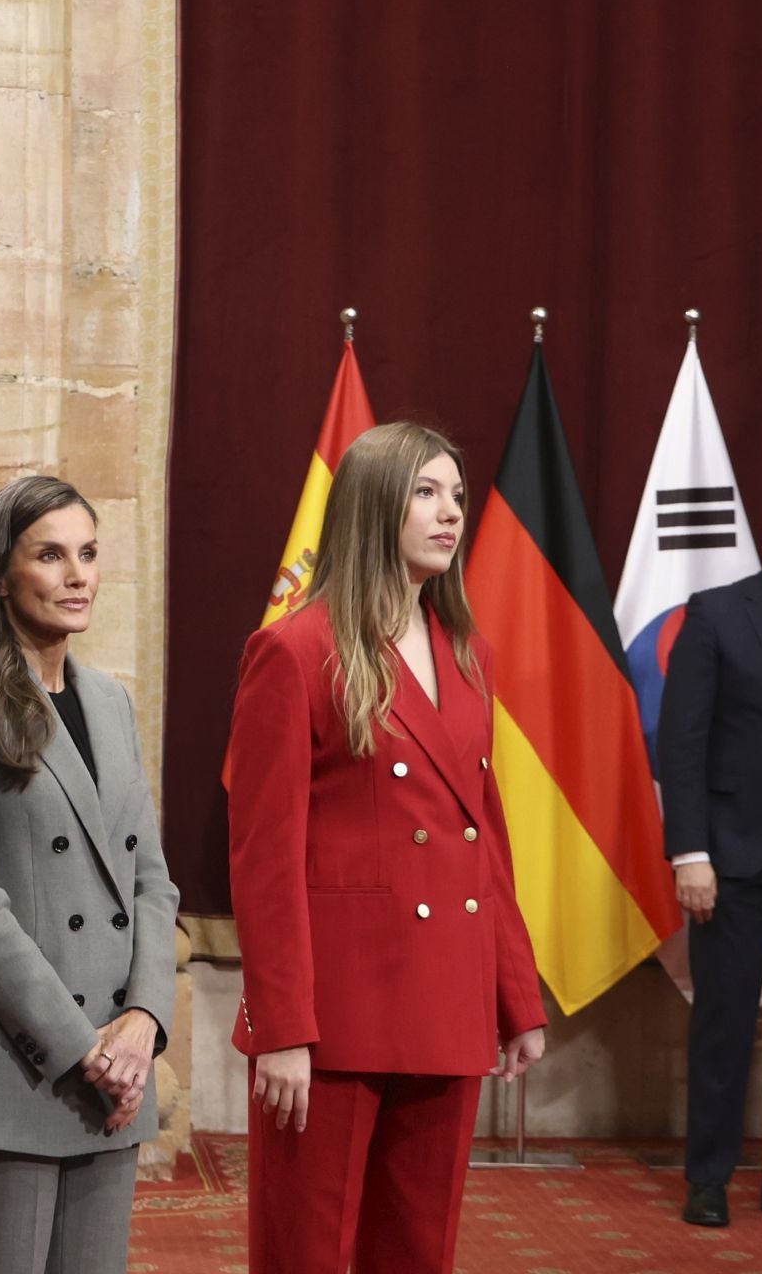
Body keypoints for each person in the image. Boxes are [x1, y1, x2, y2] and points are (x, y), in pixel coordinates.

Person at [227, 421, 547, 1273]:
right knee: (310, 1254)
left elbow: (485, 842)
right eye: (426, 493)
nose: (451, 514)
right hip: (334, 1020)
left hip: (446, 1002)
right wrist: (282, 1027)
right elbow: (264, 860)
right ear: (374, 506)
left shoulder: (470, 655)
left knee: (417, 1251)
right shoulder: (294, 651)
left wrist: (516, 998)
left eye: (457, 495)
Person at [0, 476, 180, 1273]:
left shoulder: (111, 701)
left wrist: (142, 1024)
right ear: (2, 574)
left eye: (90, 554)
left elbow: (151, 882)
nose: (78, 575)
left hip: (118, 1070)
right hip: (20, 1067)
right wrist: (84, 1051)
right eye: (51, 555)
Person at [660, 479, 762, 1228]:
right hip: (733, 854)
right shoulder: (718, 615)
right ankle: (708, 1177)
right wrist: (689, 851)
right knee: (724, 1019)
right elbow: (681, 742)